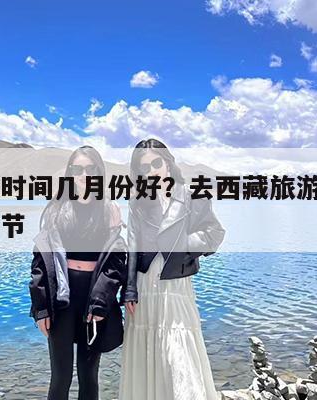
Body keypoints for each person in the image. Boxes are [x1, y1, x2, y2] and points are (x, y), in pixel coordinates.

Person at [119, 138, 226, 400]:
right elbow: (132, 245)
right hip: (144, 286)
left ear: (167, 162)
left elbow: (214, 233)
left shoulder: (192, 195)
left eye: (156, 163)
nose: (152, 171)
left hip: (176, 285)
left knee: (179, 354)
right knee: (148, 354)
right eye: (144, 168)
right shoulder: (138, 202)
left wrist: (182, 245)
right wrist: (129, 289)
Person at [29, 145, 127, 400]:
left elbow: (115, 263)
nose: (84, 175)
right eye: (78, 169)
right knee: (60, 376)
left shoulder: (108, 210)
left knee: (88, 374)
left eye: (91, 169)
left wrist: (101, 301)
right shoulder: (56, 209)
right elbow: (41, 262)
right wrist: (41, 308)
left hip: (94, 301)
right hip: (61, 301)